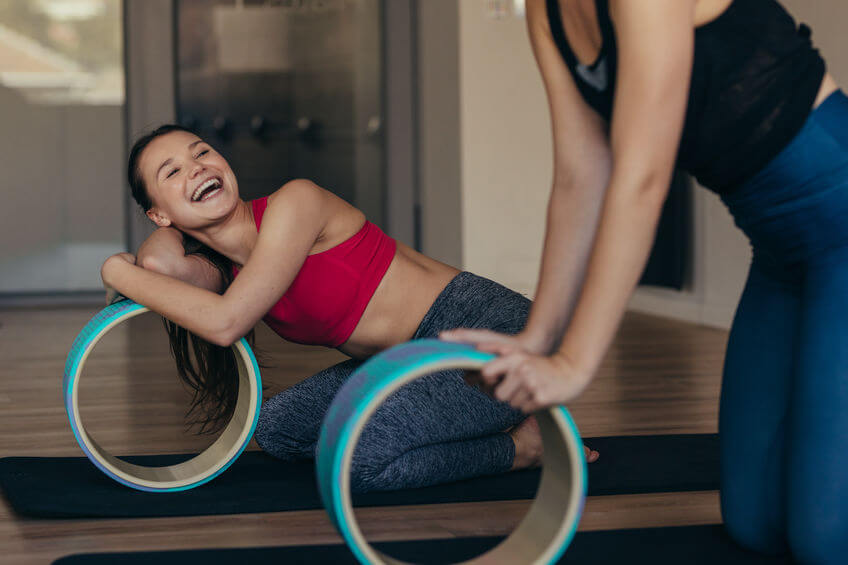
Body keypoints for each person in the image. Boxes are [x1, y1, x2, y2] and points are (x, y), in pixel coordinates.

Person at [442, 0, 848, 560]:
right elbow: (580, 176)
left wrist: (575, 363)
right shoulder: (547, 11)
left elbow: (642, 178)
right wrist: (537, 339)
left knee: (825, 542)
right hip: (781, 260)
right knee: (754, 525)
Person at [101, 125, 598, 494]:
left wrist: (115, 273)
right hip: (402, 365)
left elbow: (226, 323)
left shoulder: (296, 203)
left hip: (490, 336)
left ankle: (523, 448)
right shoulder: (227, 271)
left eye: (202, 153)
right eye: (174, 172)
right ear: (157, 213)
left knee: (356, 460)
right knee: (276, 430)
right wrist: (159, 240)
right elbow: (160, 266)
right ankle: (469, 421)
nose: (199, 168)